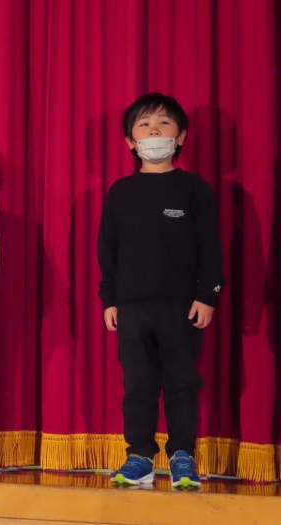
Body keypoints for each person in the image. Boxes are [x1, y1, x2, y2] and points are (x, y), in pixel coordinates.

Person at [97, 93, 225, 488]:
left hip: (181, 307)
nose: (154, 131)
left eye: (164, 123)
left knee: (181, 382)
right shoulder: (120, 191)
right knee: (138, 384)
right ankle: (139, 456)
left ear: (180, 136)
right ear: (130, 141)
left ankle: (182, 455)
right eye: (144, 125)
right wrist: (109, 299)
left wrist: (207, 295)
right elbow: (107, 250)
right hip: (132, 307)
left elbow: (210, 247)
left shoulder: (194, 189)